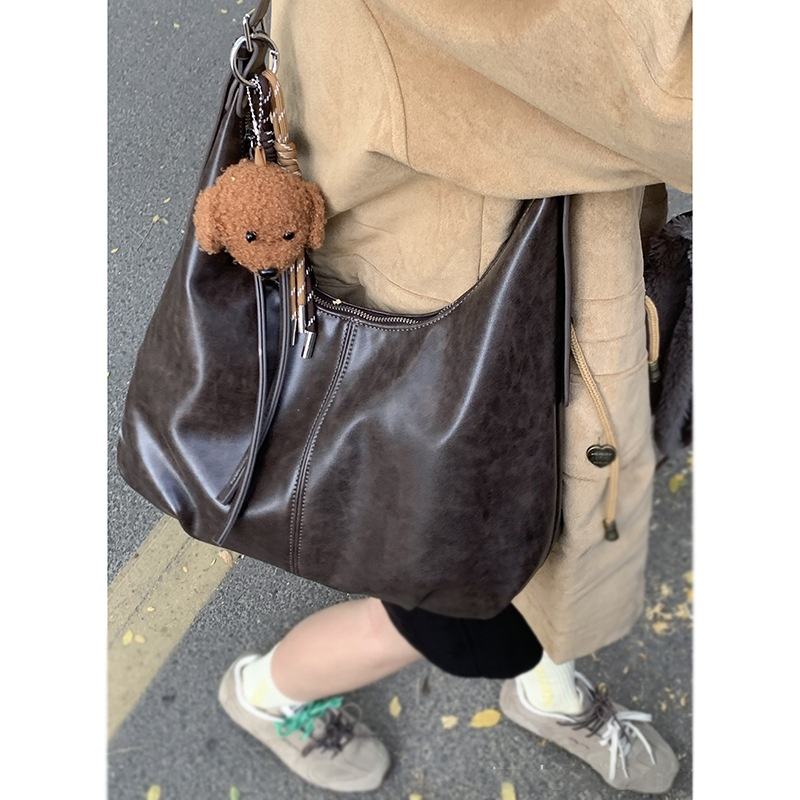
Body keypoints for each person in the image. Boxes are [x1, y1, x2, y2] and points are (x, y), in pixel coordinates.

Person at [218, 0, 692, 794]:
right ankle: (268, 693)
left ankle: (547, 692)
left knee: (562, 558)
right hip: (455, 376)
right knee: (455, 618)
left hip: (507, 331)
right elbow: (670, 94)